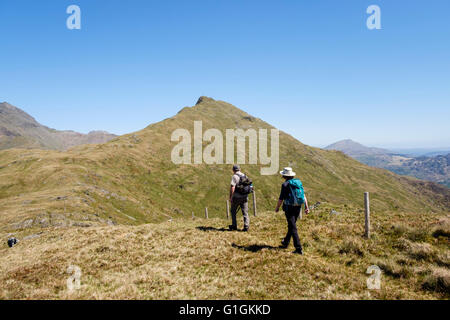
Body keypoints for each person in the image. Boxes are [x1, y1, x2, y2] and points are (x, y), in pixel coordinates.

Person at [275, 167, 309, 255]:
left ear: (284, 176)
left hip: (289, 207)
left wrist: (277, 207)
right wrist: (306, 207)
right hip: (298, 207)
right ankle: (286, 242)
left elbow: (281, 198)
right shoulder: (298, 182)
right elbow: (303, 195)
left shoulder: (285, 185)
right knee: (292, 225)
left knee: (293, 227)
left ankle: (298, 248)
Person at [229, 164, 250, 232]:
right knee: (245, 212)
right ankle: (246, 226)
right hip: (245, 197)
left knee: (233, 211)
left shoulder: (234, 176)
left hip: (237, 197)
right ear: (239, 169)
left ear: (233, 170)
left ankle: (234, 226)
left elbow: (232, 187)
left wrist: (231, 197)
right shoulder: (244, 175)